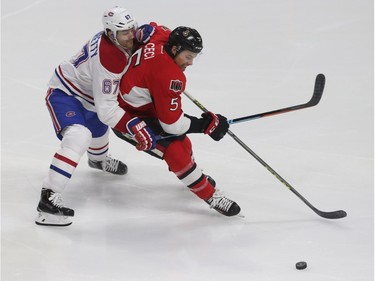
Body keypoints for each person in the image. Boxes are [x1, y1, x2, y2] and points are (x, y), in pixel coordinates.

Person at [35, 7, 155, 226]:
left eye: (132, 29)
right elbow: (107, 108)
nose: (131, 36)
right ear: (111, 34)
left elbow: (103, 107)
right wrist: (133, 124)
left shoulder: (119, 39)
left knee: (99, 132)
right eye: (125, 32)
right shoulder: (110, 57)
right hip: (66, 93)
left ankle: (97, 161)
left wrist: (153, 31)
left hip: (90, 94)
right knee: (79, 136)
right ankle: (48, 199)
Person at [113, 23, 241, 216]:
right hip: (128, 118)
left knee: (184, 143)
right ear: (175, 49)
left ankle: (195, 176)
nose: (190, 63)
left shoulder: (162, 38)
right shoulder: (167, 75)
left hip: (142, 105)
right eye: (188, 57)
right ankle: (210, 196)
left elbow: (154, 28)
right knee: (174, 152)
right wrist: (206, 125)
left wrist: (144, 32)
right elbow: (172, 125)